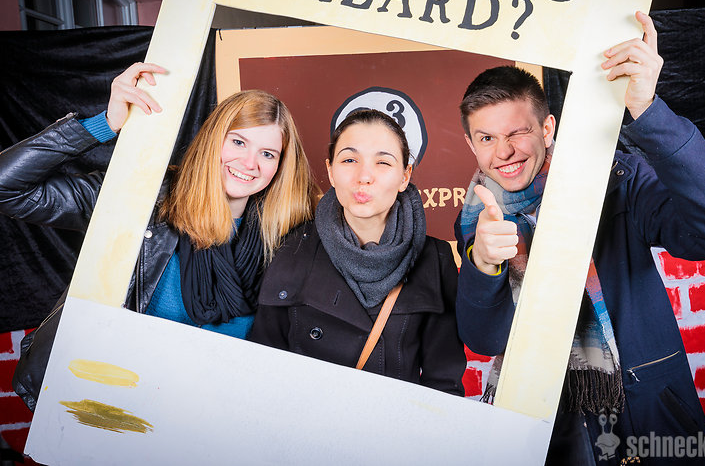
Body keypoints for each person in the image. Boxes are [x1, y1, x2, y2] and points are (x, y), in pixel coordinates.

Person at [454, 12, 705, 464]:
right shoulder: (478, 220)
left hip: (650, 421)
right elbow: (483, 339)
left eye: (518, 132)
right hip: (551, 434)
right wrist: (483, 264)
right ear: (470, 144)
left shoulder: (617, 178)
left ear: (547, 128)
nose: (504, 151)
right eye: (486, 138)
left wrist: (648, 109)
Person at [1, 63, 318, 408]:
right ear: (214, 140)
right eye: (238, 142)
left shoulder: (287, 236)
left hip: (211, 410)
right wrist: (103, 124)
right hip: (108, 400)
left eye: (267, 154)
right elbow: (7, 188)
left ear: (280, 165)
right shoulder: (142, 196)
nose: (250, 163)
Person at [250, 109, 466, 395]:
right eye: (349, 160)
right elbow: (263, 369)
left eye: (383, 162)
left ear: (405, 176)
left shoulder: (435, 259)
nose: (364, 176)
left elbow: (444, 386)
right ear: (330, 171)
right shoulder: (293, 246)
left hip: (392, 421)